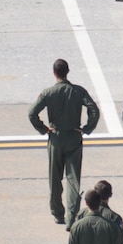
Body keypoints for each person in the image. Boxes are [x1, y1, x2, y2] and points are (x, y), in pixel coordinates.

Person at [28, 58, 100, 226]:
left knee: (55, 178)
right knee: (73, 178)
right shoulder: (78, 91)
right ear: (68, 71)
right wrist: (87, 128)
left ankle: (57, 213)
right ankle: (71, 216)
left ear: (54, 73)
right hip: (74, 136)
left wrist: (44, 129)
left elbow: (32, 113)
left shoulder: (48, 93)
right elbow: (94, 110)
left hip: (56, 138)